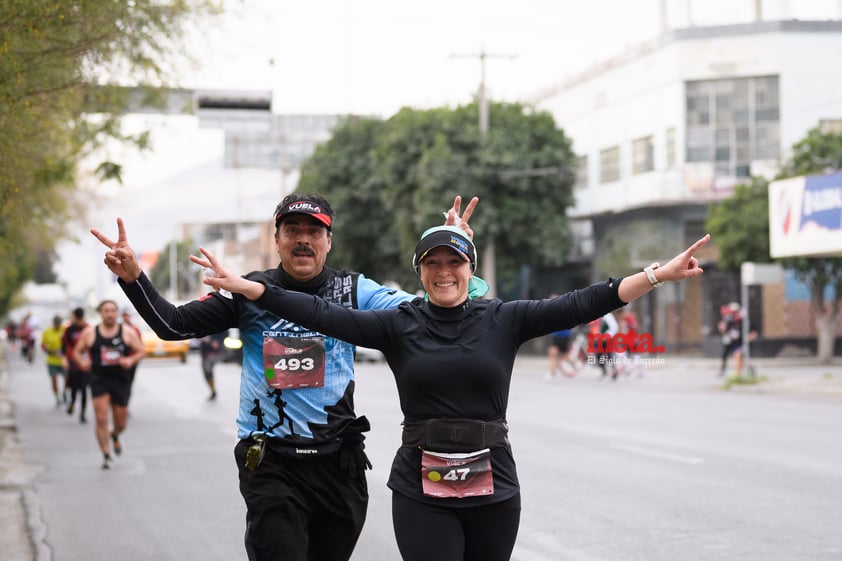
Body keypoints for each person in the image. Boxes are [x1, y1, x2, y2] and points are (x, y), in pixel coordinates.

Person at [193, 220, 710, 561]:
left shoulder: (505, 318)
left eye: (455, 261)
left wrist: (657, 274)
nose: (444, 271)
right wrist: (247, 287)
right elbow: (317, 311)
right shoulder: (396, 324)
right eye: (433, 263)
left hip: (493, 482)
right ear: (420, 272)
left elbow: (584, 302)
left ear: (471, 269)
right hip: (422, 487)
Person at [90, 192, 477, 561]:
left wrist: (452, 253)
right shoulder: (248, 290)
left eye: (314, 232)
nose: (303, 241)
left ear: (329, 241)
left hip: (339, 465)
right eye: (292, 231)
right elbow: (172, 325)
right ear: (276, 240)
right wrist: (134, 278)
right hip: (272, 463)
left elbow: (428, 309)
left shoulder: (353, 289)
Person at [71, 300, 145, 469]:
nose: (110, 314)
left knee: (121, 423)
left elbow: (141, 351)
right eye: (106, 311)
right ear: (100, 313)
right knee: (102, 417)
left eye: (113, 310)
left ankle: (115, 435)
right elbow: (77, 351)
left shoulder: (126, 333)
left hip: (120, 380)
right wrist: (81, 362)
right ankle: (106, 454)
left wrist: (130, 359)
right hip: (99, 379)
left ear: (117, 313)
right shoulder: (90, 333)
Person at [62, 307, 90, 423]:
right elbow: (64, 344)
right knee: (73, 388)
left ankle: (82, 414)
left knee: (84, 389)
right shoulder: (69, 330)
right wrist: (64, 359)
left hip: (85, 364)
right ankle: (72, 403)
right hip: (73, 362)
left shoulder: (88, 329)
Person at [40, 314, 68, 406]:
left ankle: (65, 393)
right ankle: (57, 397)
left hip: (64, 360)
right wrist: (50, 352)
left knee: (67, 379)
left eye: (59, 323)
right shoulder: (47, 332)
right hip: (52, 361)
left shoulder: (65, 330)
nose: (57, 325)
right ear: (53, 323)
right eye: (56, 323)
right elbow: (43, 345)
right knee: (54, 379)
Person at [199, 330, 228, 400]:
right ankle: (213, 390)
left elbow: (225, 332)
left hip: (214, 351)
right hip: (204, 351)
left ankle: (213, 391)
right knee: (206, 373)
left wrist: (217, 341)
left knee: (208, 370)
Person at [121, 308, 143, 385]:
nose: (126, 317)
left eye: (127, 316)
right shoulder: (119, 328)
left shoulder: (135, 329)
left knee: (130, 380)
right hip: (122, 358)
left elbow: (140, 344)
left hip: (133, 357)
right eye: (124, 316)